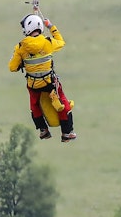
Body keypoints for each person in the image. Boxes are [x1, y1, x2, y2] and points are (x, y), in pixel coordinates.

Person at [8, 13, 76, 142]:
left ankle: (43, 130)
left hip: (34, 85)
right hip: (49, 83)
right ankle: (67, 132)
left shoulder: (20, 47)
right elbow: (61, 42)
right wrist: (51, 26)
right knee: (62, 102)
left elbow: (12, 67)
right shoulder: (48, 42)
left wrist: (22, 61)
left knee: (34, 105)